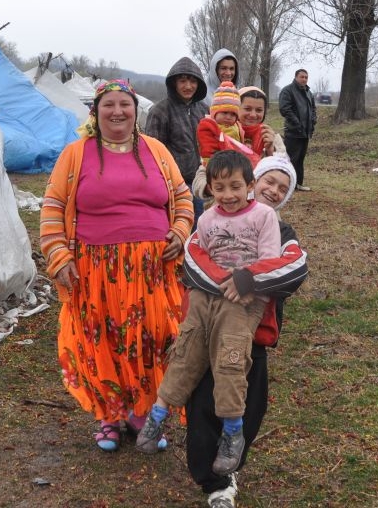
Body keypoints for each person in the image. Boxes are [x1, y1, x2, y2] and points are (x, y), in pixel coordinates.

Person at [40, 79, 195, 450]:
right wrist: (59, 255)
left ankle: (143, 411)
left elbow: (182, 195)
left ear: (135, 110)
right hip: (95, 270)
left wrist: (180, 228)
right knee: (103, 339)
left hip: (154, 269)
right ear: (95, 111)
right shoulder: (76, 155)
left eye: (124, 104)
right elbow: (53, 205)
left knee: (154, 339)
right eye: (108, 104)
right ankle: (109, 414)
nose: (117, 111)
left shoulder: (156, 150)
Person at [134, 151, 281, 478]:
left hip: (243, 299)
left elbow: (272, 261)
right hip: (206, 293)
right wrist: (212, 279)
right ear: (210, 188)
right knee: (186, 351)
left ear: (250, 185)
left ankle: (232, 431)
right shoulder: (208, 220)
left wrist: (244, 280)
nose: (227, 195)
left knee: (230, 358)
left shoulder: (264, 217)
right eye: (219, 188)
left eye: (234, 186)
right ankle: (158, 414)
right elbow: (196, 255)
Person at [182, 155, 308, 507]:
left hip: (255, 337)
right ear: (254, 181)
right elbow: (192, 262)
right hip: (210, 332)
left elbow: (294, 268)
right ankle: (215, 482)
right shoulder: (211, 222)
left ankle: (231, 459)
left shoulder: (282, 232)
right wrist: (231, 285)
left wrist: (248, 277)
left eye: (283, 188)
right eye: (270, 181)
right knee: (205, 403)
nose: (275, 190)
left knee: (250, 407)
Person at [146, 57, 209, 224]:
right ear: (174, 83)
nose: (188, 86)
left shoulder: (204, 110)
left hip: (201, 181)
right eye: (182, 81)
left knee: (199, 231)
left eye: (193, 81)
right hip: (174, 185)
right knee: (179, 229)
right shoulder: (159, 111)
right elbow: (153, 154)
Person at [196, 85, 262, 170]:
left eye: (233, 114)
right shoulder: (210, 126)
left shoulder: (237, 126)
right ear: (214, 113)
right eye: (225, 113)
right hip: (217, 166)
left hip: (236, 165)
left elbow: (240, 141)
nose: (228, 117)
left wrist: (247, 143)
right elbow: (207, 150)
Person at [278, 69, 316, 191]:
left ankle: (298, 184)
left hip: (305, 133)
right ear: (296, 77)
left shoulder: (309, 93)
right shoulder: (287, 91)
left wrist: (313, 122)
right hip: (293, 132)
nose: (304, 79)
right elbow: (285, 109)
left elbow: (313, 109)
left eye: (306, 77)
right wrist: (297, 124)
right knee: (290, 159)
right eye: (302, 77)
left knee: (300, 160)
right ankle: (285, 184)